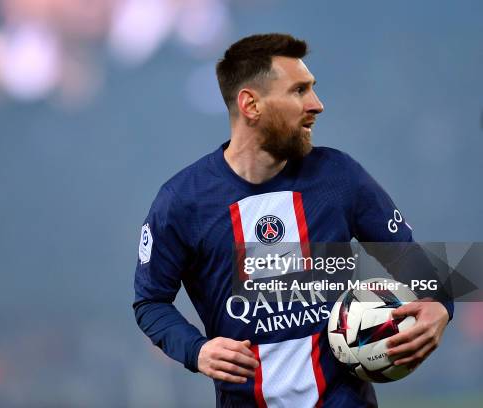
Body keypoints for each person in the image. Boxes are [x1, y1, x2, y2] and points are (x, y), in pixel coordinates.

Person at [133, 33, 451, 407]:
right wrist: (196, 351)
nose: (317, 104)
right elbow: (150, 302)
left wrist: (440, 305)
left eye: (312, 89)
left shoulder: (340, 177)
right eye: (299, 91)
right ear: (251, 104)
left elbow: (410, 260)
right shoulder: (183, 201)